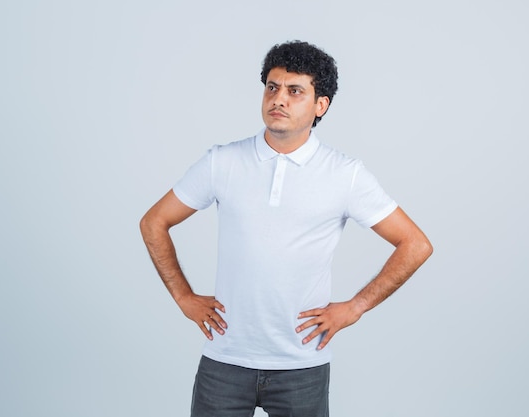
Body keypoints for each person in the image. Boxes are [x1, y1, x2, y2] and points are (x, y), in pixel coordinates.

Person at [140, 40, 433, 417]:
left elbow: (415, 244)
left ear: (320, 105)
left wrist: (355, 307)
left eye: (295, 91)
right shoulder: (222, 162)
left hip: (301, 366)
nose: (279, 99)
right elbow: (154, 222)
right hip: (225, 360)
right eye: (272, 87)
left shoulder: (345, 175)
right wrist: (183, 297)